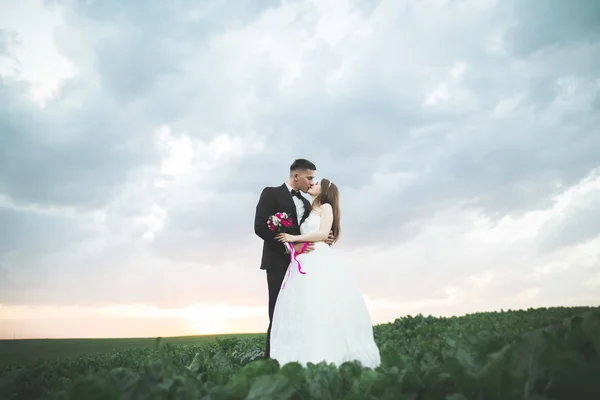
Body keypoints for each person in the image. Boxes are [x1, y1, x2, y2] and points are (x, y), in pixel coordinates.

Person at [269, 178, 381, 368]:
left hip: (318, 260)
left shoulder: (326, 207)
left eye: (318, 183)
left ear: (325, 191)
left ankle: (326, 357)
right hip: (303, 261)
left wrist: (293, 237)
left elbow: (322, 235)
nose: (313, 184)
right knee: (302, 307)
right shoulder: (309, 209)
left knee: (321, 304)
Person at [254, 158, 334, 358]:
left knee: (299, 312)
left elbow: (311, 229)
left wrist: (326, 236)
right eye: (309, 177)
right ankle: (271, 360)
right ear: (296, 176)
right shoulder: (271, 193)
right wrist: (289, 247)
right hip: (278, 262)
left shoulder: (307, 204)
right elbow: (260, 226)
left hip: (303, 266)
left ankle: (297, 358)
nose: (311, 182)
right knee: (278, 313)